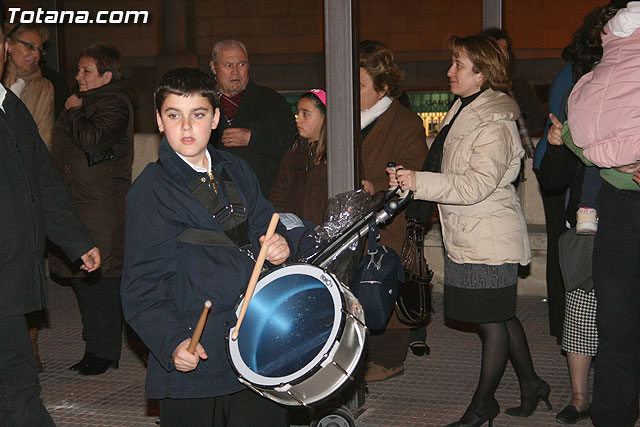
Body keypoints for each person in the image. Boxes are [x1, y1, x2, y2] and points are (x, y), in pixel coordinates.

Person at [389, 34, 548, 426]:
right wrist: (413, 178)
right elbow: (445, 163)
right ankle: (532, 385)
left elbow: (475, 185)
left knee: (491, 321)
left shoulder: (494, 121)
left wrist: (419, 183)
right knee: (497, 315)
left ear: (482, 73)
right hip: (470, 234)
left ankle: (482, 406)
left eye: (458, 64)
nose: (449, 71)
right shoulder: (465, 107)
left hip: (488, 237)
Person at [121, 67, 290, 426]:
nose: (185, 127)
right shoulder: (151, 189)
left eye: (197, 115)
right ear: (158, 120)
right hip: (195, 349)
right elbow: (141, 285)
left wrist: (279, 245)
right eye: (173, 115)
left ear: (215, 118)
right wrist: (171, 343)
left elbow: (265, 223)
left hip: (254, 342)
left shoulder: (238, 169)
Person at [0, 22, 101, 425]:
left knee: (18, 379)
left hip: (9, 278)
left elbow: (42, 183)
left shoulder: (10, 106)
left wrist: (76, 240)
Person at [536, 3, 625, 423]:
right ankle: (578, 396)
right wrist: (558, 142)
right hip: (587, 217)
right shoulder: (583, 85)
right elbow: (553, 178)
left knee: (623, 313)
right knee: (582, 308)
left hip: (624, 213)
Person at [557, 2, 640, 425]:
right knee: (616, 318)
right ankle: (612, 415)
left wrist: (575, 138)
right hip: (618, 206)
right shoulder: (608, 71)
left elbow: (583, 137)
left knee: (617, 320)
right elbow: (585, 140)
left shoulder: (603, 72)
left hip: (619, 207)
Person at [48, 43, 136, 376]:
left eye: (86, 71)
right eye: (79, 70)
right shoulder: (84, 102)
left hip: (102, 207)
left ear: (106, 75)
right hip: (75, 203)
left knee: (102, 280)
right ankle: (93, 347)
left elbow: (92, 141)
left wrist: (73, 112)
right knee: (81, 280)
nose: (78, 76)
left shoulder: (116, 104)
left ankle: (106, 350)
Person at [359, 45, 428, 382]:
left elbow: (414, 171)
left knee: (382, 282)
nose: (351, 92)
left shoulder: (404, 121)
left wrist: (374, 185)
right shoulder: (343, 118)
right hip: (351, 220)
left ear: (383, 87)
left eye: (360, 85)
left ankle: (389, 358)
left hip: (389, 220)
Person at [208, 39, 297, 198]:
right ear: (214, 67)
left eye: (241, 64)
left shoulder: (272, 102)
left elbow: (292, 146)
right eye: (228, 65)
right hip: (213, 201)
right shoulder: (202, 104)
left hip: (262, 199)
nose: (235, 71)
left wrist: (253, 139)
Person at [269, 89, 327, 226]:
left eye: (305, 114)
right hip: (296, 233)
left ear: (324, 117)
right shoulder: (293, 154)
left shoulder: (338, 155)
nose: (298, 119)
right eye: (298, 113)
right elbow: (279, 195)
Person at [2, 23, 54, 148]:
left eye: (40, 50)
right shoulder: (2, 81)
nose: (37, 55)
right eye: (30, 46)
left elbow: (44, 142)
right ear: (8, 45)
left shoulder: (43, 87)